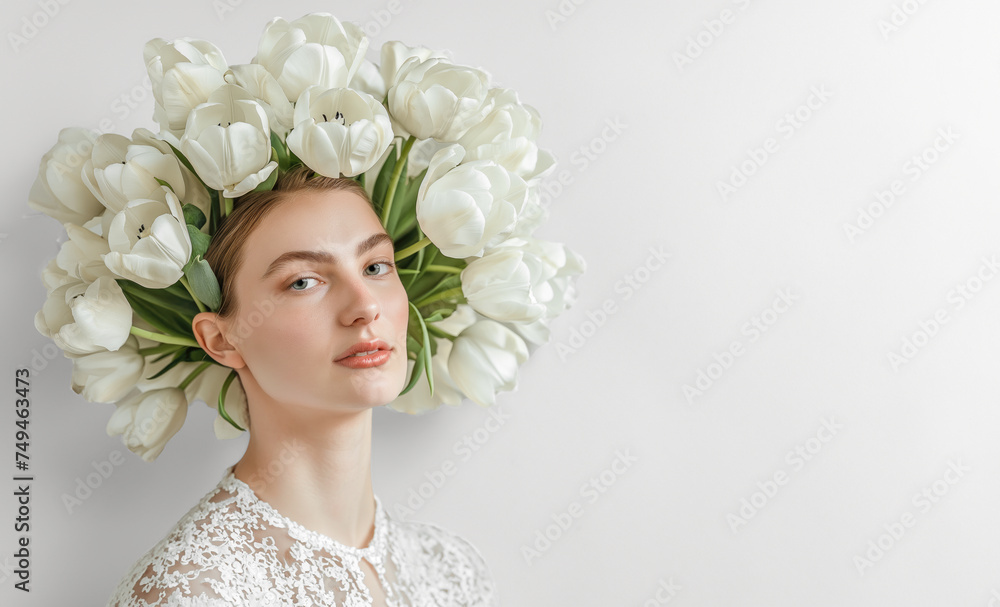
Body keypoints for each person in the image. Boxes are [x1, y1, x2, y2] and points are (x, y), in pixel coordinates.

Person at [105, 166, 499, 606]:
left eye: (375, 266)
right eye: (302, 281)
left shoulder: (449, 569)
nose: (365, 306)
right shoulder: (192, 590)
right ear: (222, 340)